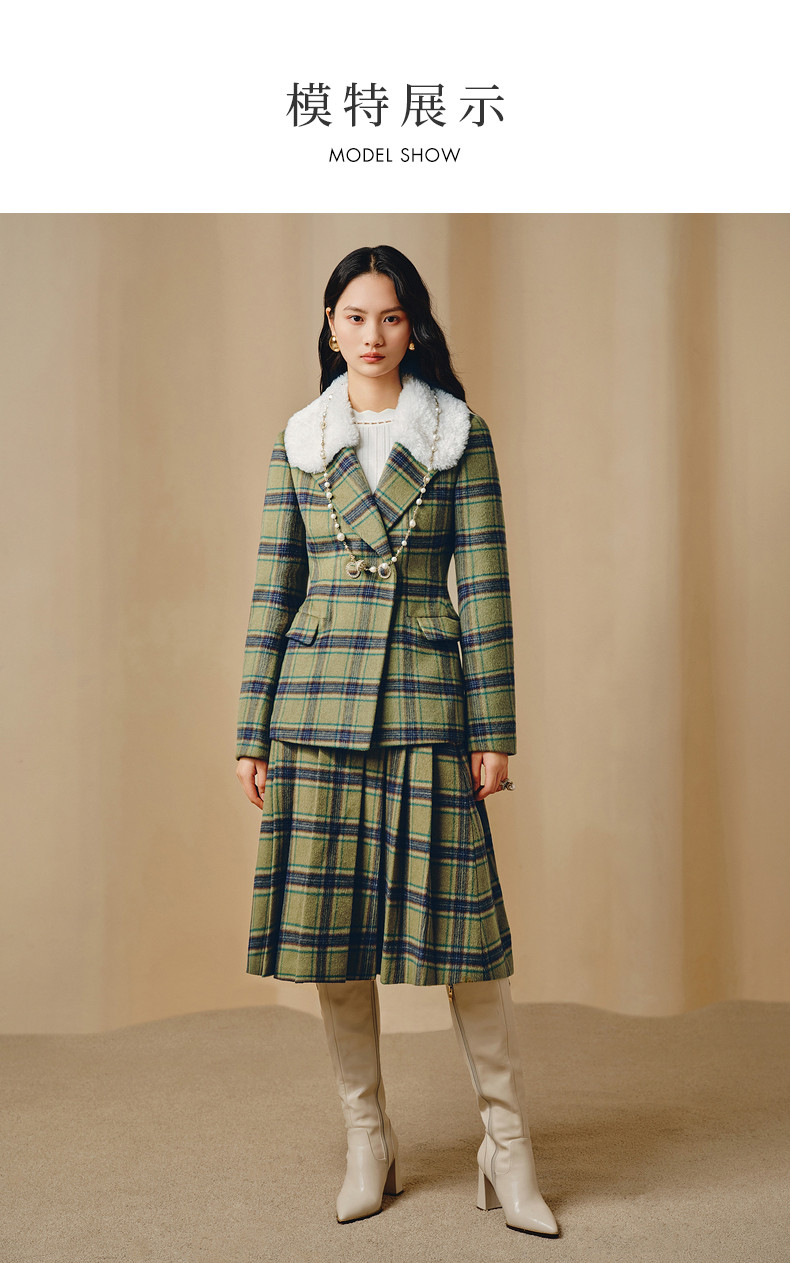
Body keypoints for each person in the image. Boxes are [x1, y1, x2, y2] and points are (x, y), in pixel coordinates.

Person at [235, 244, 559, 1237]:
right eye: (354, 316)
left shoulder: (458, 433)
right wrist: (252, 728)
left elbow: (485, 588)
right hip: (313, 708)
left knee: (467, 940)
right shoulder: (300, 438)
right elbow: (273, 589)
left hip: (424, 697)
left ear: (413, 327)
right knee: (331, 937)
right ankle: (366, 1138)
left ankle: (507, 1146)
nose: (371, 335)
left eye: (390, 316)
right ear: (329, 325)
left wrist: (495, 727)